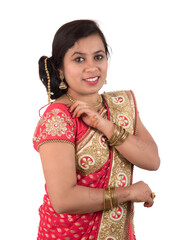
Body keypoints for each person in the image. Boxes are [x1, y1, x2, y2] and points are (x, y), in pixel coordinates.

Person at [33, 19, 160, 240]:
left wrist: (105, 125)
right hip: (69, 234)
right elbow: (63, 199)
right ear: (59, 69)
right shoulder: (58, 118)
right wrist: (128, 193)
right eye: (79, 59)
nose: (92, 67)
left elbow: (152, 160)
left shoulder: (121, 105)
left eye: (99, 57)